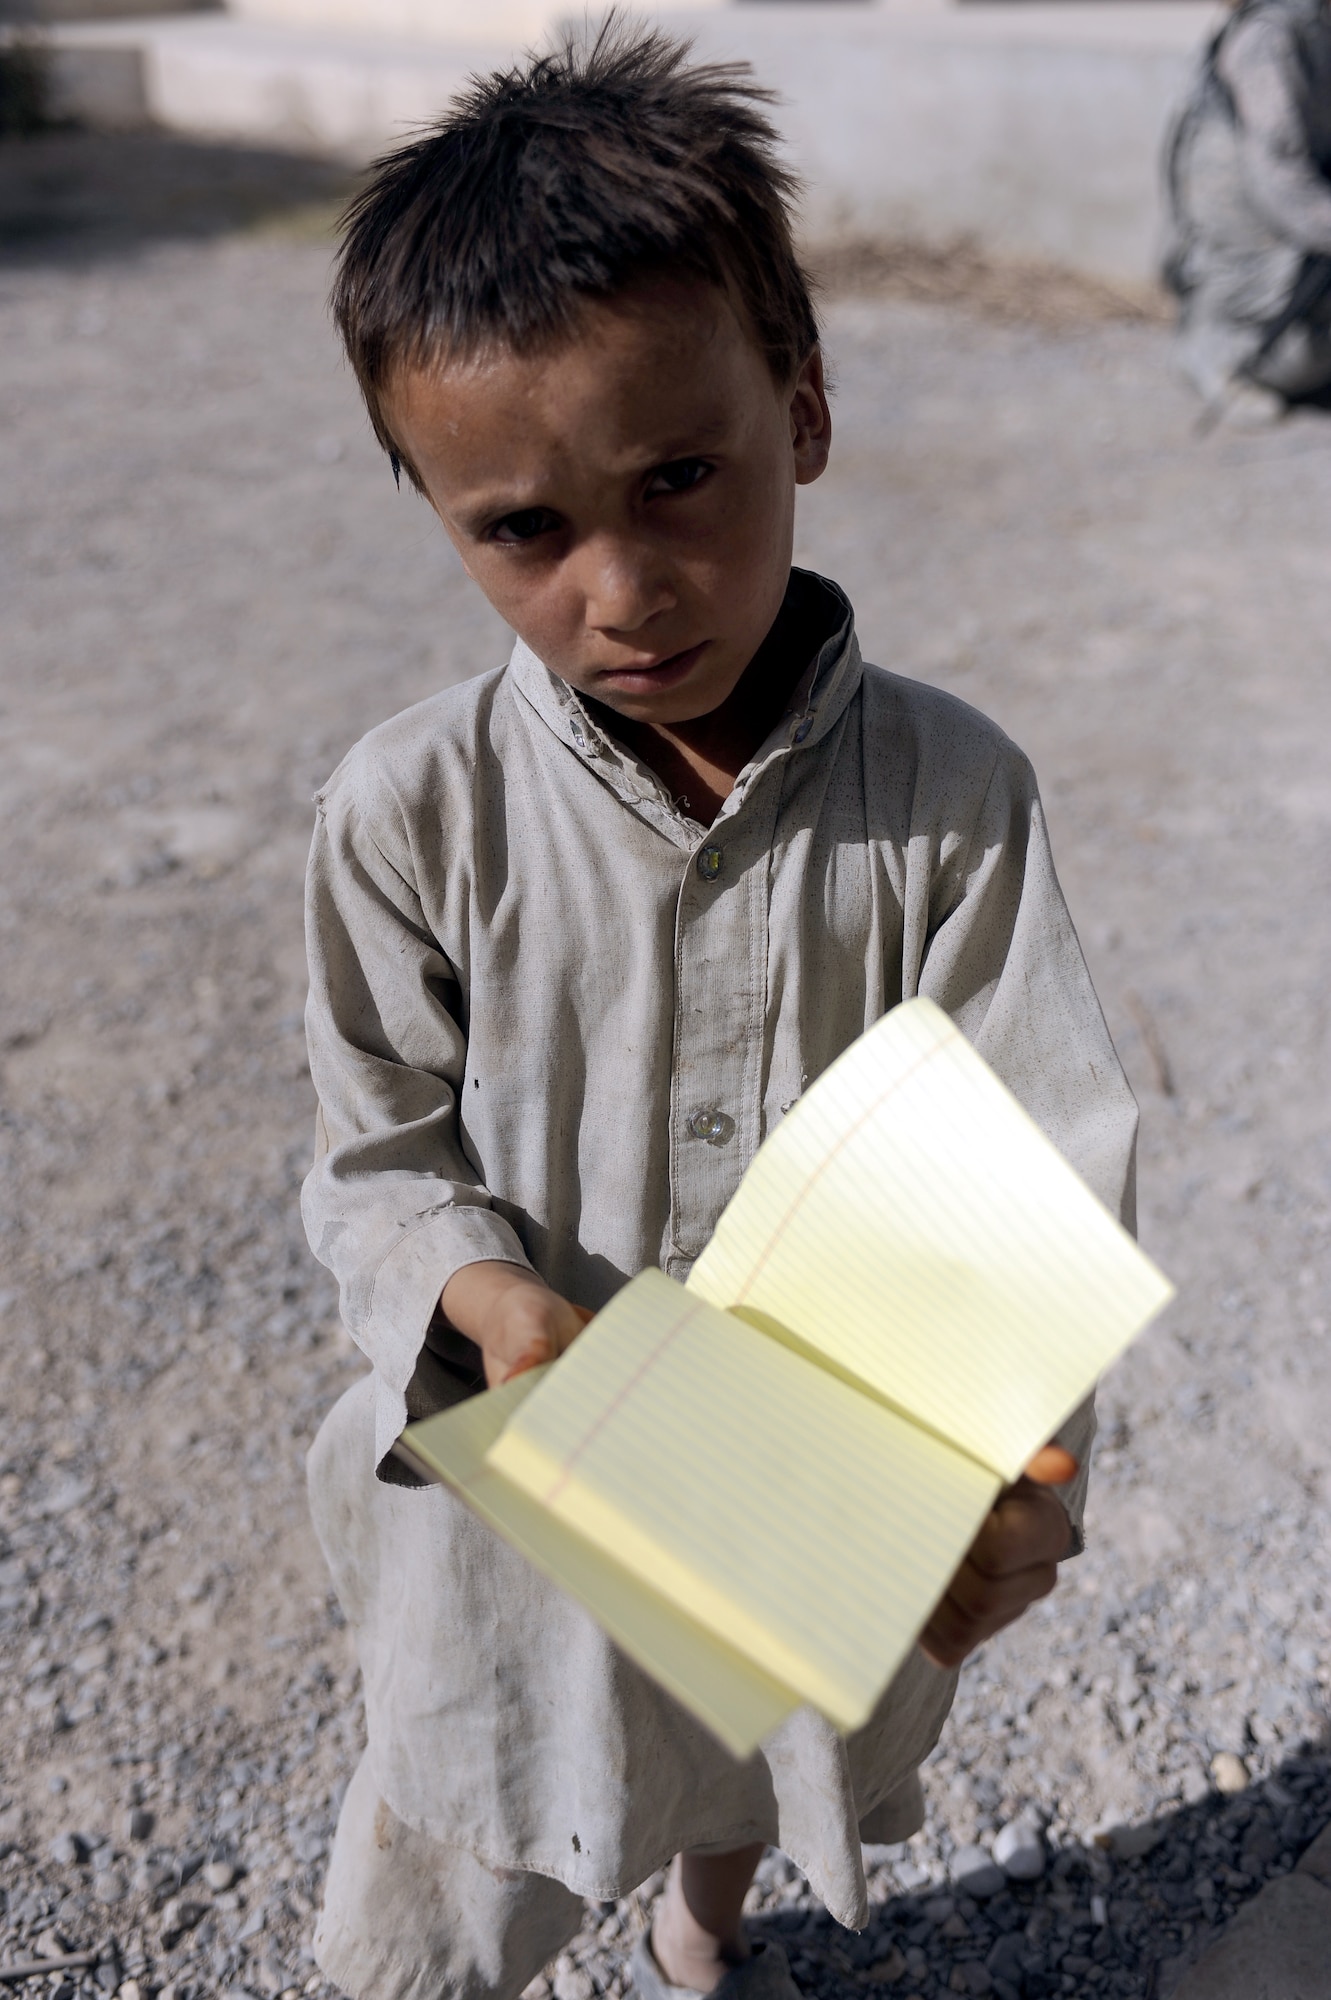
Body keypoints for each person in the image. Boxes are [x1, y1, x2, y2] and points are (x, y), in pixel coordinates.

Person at [300, 23, 1139, 2000]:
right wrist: (464, 1284)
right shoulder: (408, 816)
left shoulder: (951, 800)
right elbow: (368, 1142)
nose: (624, 585)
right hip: (523, 1531)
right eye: (523, 528)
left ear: (805, 410)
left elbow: (1022, 1168)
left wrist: (1007, 1473)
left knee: (750, 1762)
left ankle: (699, 1927)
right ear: (434, 506)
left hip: (809, 1505)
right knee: (454, 1849)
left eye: (679, 476)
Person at [1164, 0, 1331, 424]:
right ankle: (1217, 358)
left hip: (1301, 206)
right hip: (1254, 222)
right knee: (1298, 357)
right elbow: (1279, 171)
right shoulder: (1269, 34)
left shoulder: (1313, 19)